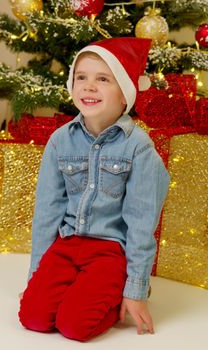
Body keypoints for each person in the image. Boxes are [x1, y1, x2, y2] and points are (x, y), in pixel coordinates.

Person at [18, 37, 170, 341]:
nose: (89, 86)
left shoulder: (139, 148)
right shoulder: (60, 141)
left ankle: (110, 295)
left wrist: (135, 290)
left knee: (74, 326)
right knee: (33, 318)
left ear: (125, 93)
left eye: (103, 79)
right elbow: (47, 211)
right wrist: (37, 274)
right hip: (67, 246)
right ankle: (73, 287)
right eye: (81, 77)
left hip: (109, 252)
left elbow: (141, 224)